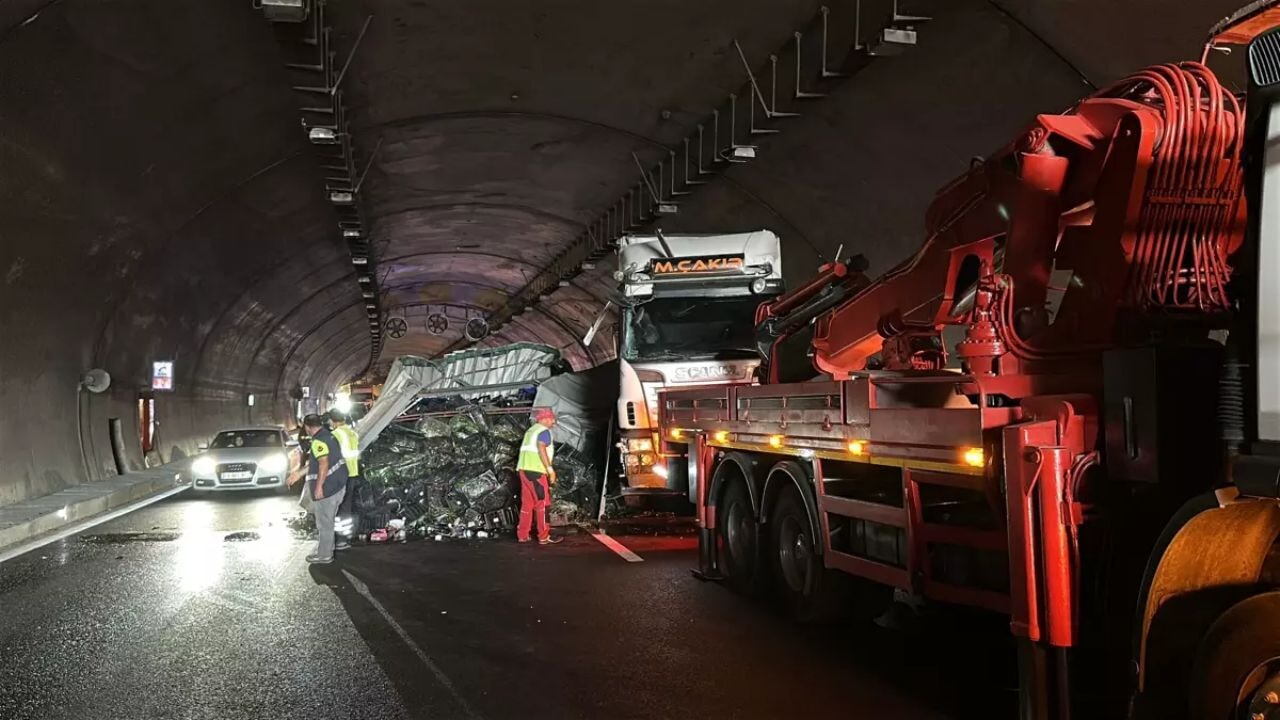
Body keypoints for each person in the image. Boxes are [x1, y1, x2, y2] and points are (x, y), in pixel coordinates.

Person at [303, 413, 349, 564]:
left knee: (324, 523)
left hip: (328, 488)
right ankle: (328, 549)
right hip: (338, 484)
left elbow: (323, 464)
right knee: (328, 521)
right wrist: (298, 473)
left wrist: (319, 488)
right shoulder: (329, 436)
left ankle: (324, 555)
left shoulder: (318, 441)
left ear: (307, 427)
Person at [516, 407, 561, 544]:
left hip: (523, 470)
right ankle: (543, 536)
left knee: (527, 505)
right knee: (543, 504)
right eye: (552, 419)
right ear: (545, 419)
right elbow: (541, 447)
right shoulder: (543, 431)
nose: (554, 422)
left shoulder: (531, 431)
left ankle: (522, 535)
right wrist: (550, 470)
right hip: (536, 472)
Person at [328, 409, 360, 551]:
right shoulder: (352, 433)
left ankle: (339, 540)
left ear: (332, 420)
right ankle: (345, 537)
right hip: (352, 474)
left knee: (338, 508)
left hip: (341, 476)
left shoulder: (335, 435)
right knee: (346, 508)